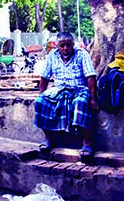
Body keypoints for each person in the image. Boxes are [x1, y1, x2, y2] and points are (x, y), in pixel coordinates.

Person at [33, 32, 98, 160]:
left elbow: (90, 77)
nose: (65, 48)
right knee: (40, 102)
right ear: (57, 46)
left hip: (79, 89)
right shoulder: (52, 55)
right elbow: (44, 77)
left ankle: (87, 143)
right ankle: (48, 139)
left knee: (80, 102)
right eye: (62, 46)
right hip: (59, 90)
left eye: (68, 45)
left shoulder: (81, 54)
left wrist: (93, 98)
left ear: (73, 45)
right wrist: (41, 93)